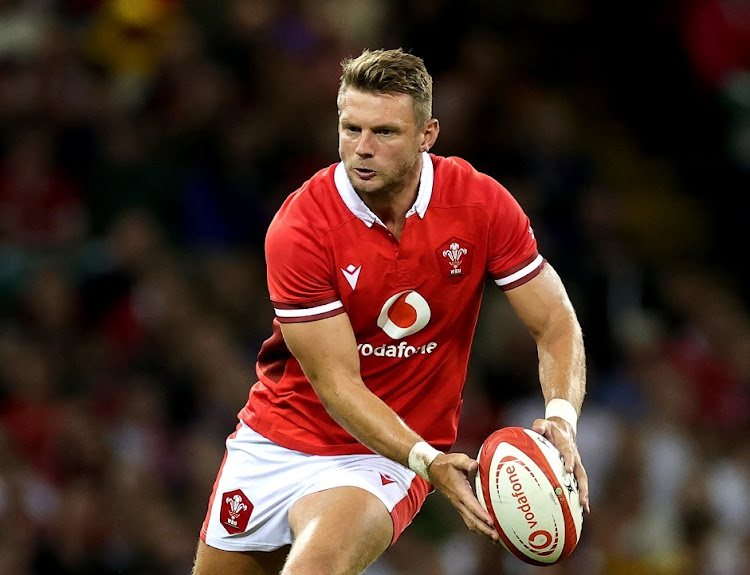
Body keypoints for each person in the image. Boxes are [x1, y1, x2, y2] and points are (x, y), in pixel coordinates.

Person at [192, 48, 590, 575]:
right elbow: (339, 385)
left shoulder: (480, 205)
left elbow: (555, 323)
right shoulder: (302, 228)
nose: (362, 149)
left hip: (387, 451)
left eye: (384, 133)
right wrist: (432, 462)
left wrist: (562, 419)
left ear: (428, 136)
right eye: (350, 129)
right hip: (277, 438)